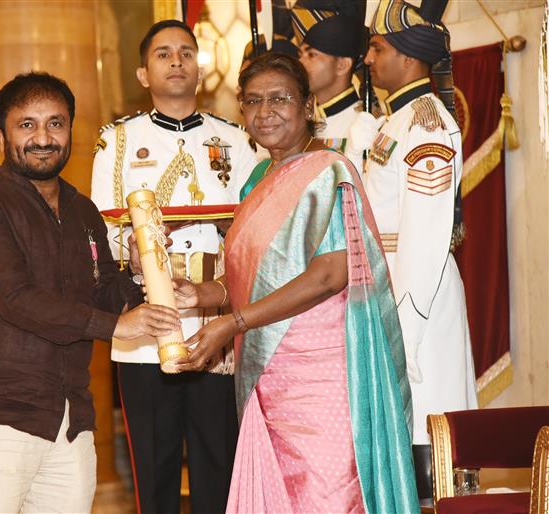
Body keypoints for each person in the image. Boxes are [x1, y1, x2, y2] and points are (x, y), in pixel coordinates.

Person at [175, 52, 419, 513]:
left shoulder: (329, 172)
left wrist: (235, 323)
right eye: (252, 101)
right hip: (268, 378)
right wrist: (202, 294)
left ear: (308, 105)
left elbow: (329, 275)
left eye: (279, 99)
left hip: (321, 376)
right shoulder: (255, 182)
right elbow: (248, 279)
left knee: (326, 493)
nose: (264, 112)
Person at [0, 71, 180, 514]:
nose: (43, 137)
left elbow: (104, 293)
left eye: (56, 123)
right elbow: (14, 297)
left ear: (71, 129)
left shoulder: (82, 210)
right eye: (26, 124)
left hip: (69, 422)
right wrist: (116, 326)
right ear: (2, 135)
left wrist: (140, 266)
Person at [90, 19, 258, 514]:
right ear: (144, 73)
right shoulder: (117, 141)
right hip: (148, 317)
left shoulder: (237, 139)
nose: (177, 60)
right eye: (163, 54)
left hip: (215, 317)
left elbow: (253, 230)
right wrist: (141, 246)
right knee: (155, 468)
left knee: (217, 461)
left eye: (186, 52)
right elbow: (102, 231)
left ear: (200, 68)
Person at [359, 0, 478, 499]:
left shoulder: (426, 123)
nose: (367, 59)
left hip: (417, 299)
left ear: (408, 58)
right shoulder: (397, 120)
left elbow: (426, 241)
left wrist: (403, 330)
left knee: (429, 447)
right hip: (392, 284)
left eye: (377, 48)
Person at [292, 0, 369, 154]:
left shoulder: (362, 125)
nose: (300, 63)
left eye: (312, 55)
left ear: (342, 65)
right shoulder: (301, 124)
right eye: (300, 55)